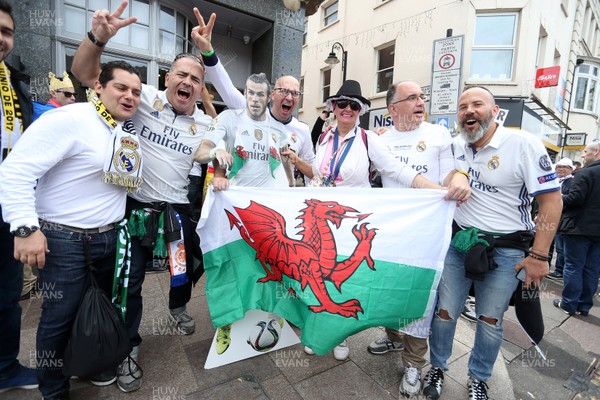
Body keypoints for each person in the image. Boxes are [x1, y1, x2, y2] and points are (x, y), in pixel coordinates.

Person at [71, 2, 246, 392]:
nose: (187, 82)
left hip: (177, 213)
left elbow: (212, 153)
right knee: (129, 283)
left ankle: (178, 306)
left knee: (187, 266)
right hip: (133, 210)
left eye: (196, 79)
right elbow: (84, 76)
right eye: (181, 74)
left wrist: (219, 161)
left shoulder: (205, 121)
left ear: (201, 89)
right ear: (168, 79)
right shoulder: (142, 96)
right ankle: (128, 348)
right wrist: (98, 37)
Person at [285, 80, 468, 361]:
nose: (348, 109)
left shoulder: (370, 139)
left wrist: (440, 193)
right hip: (323, 222)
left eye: (354, 105)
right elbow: (319, 176)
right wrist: (298, 162)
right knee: (317, 276)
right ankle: (320, 329)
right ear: (333, 107)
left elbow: (398, 170)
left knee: (344, 283)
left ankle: (341, 336)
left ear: (361, 110)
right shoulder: (324, 138)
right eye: (342, 103)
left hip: (349, 224)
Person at [0, 60, 142, 400]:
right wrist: (24, 227)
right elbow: (17, 170)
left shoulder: (122, 132)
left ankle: (88, 364)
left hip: (110, 237)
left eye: (136, 92)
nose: (130, 96)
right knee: (58, 318)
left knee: (97, 310)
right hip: (65, 240)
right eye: (121, 88)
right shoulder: (69, 119)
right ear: (98, 87)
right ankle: (53, 389)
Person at [422, 86, 562, 400]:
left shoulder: (523, 144)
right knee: (444, 312)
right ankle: (437, 367)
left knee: (489, 319)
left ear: (495, 110)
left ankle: (478, 378)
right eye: (462, 107)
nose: (469, 111)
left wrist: (539, 255)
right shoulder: (455, 145)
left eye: (477, 104)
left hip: (507, 250)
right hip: (459, 244)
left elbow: (552, 202)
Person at [366, 81, 471, 398]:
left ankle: (414, 363)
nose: (420, 102)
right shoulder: (377, 139)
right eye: (411, 97)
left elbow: (453, 172)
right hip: (392, 231)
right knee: (389, 290)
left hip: (427, 233)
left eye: (421, 97)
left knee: (422, 296)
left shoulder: (438, 134)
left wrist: (459, 180)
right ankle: (392, 335)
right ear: (393, 108)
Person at [0, 1, 37, 394]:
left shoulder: (14, 80)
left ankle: (5, 367)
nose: (2, 39)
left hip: (8, 206)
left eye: (7, 32)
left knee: (8, 294)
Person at [195, 72, 292, 188]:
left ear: (269, 96)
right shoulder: (228, 118)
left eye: (260, 94)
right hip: (238, 199)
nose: (255, 99)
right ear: (245, 92)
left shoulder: (279, 128)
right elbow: (200, 152)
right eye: (251, 93)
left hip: (267, 199)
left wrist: (291, 184)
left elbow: (286, 158)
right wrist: (215, 151)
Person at [554, 142, 600, 316]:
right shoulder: (585, 172)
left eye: (585, 152)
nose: (583, 156)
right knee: (592, 269)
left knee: (573, 266)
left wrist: (558, 197)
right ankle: (584, 305)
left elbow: (574, 199)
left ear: (597, 152)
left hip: (578, 228)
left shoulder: (585, 173)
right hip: (597, 232)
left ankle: (569, 303)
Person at [270, 75, 314, 186]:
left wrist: (297, 161)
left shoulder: (303, 129)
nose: (289, 98)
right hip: (256, 195)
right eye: (284, 91)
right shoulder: (256, 122)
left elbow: (312, 171)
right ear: (273, 95)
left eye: (295, 94)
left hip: (286, 197)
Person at [547, 157, 575, 280]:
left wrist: (560, 197)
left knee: (560, 248)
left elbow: (572, 200)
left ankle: (559, 270)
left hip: (562, 220)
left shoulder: (573, 182)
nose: (561, 169)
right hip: (549, 218)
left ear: (570, 169)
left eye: (564, 167)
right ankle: (546, 266)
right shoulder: (554, 181)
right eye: (559, 166)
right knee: (547, 244)